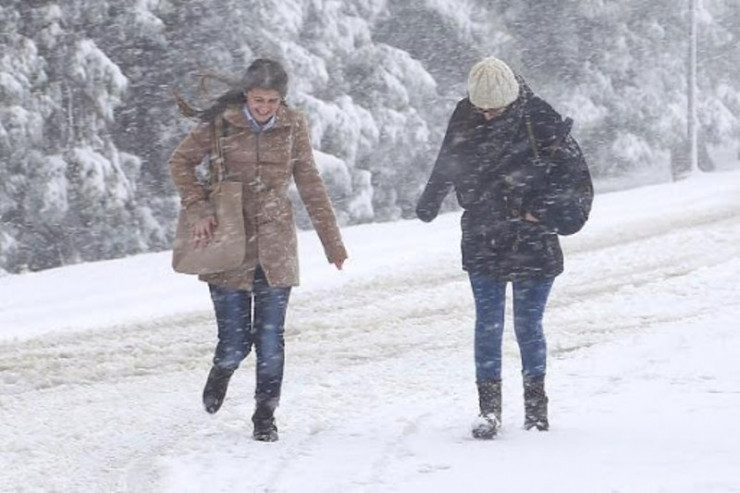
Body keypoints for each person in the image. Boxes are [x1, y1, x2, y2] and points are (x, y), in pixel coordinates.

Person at [169, 58, 348, 442]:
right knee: (235, 342)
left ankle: (264, 415)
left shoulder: (294, 125)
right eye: (257, 99)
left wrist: (332, 243)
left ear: (282, 100)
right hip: (227, 240)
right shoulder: (221, 123)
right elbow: (180, 162)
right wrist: (199, 208)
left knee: (270, 339)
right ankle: (223, 369)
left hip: (276, 244)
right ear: (246, 95)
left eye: (271, 101)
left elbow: (310, 183)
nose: (264, 107)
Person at [416, 56, 592, 439]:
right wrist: (431, 198)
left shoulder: (541, 120)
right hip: (483, 234)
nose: (487, 116)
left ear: (512, 99)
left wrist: (539, 214)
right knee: (487, 324)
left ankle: (536, 411)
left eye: (494, 110)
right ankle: (489, 411)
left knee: (528, 325)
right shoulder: (466, 113)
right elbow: (448, 157)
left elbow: (575, 182)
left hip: (533, 241)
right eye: (481, 109)